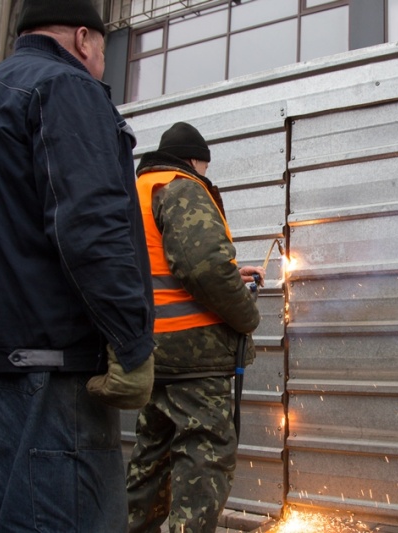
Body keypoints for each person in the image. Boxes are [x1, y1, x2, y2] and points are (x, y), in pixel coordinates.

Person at [0, 0, 156, 530]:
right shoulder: (64, 86)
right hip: (43, 366)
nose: (101, 64)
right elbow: (90, 226)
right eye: (101, 51)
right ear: (83, 39)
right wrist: (131, 341)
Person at [126, 122, 264, 533]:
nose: (204, 175)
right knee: (205, 459)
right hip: (195, 355)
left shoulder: (135, 192)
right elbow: (200, 266)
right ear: (192, 160)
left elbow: (164, 264)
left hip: (151, 350)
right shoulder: (182, 185)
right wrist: (246, 315)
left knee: (153, 458)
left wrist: (231, 274)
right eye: (203, 166)